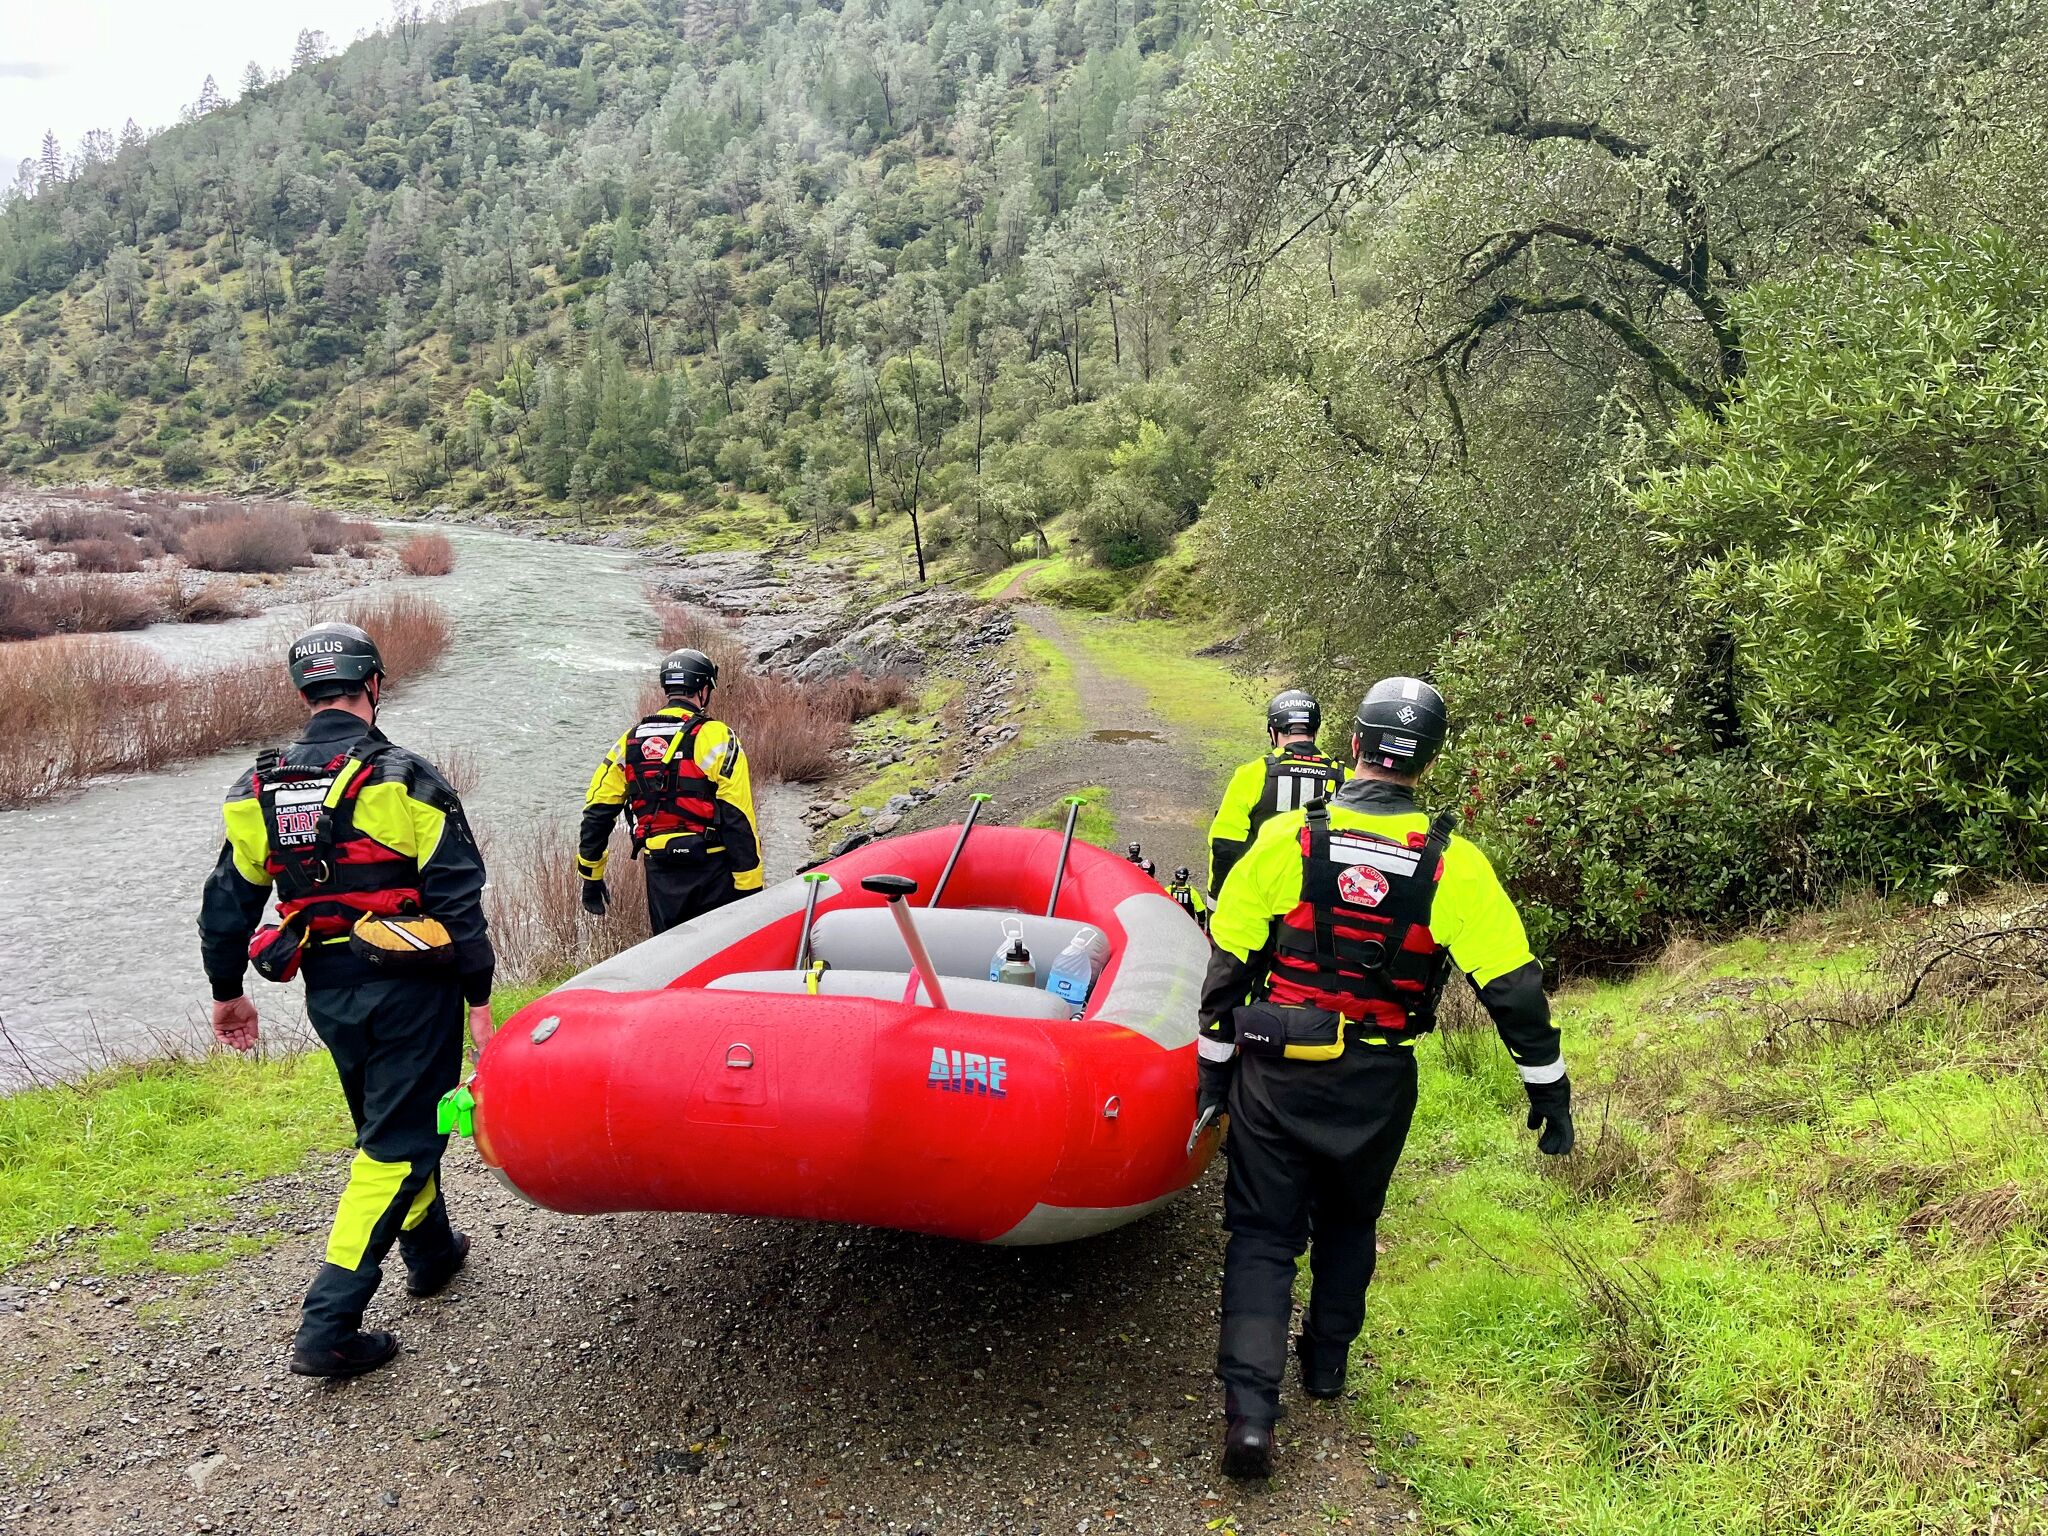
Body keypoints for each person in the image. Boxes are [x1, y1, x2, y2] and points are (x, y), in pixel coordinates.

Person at [1194, 676, 1571, 1479]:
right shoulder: (1453, 863)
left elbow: (1227, 969)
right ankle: (1326, 1366)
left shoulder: (1287, 839)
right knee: (1350, 1220)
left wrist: (1213, 1075)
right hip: (1376, 1079)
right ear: (1427, 762)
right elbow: (1513, 989)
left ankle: (1251, 1418)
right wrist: (1549, 1089)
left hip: (1277, 1073)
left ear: (1356, 745)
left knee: (1263, 1235)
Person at [198, 622, 496, 1380]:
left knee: (390, 1121)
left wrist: (228, 993)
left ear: (305, 692)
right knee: (395, 1144)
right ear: (373, 685)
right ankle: (328, 1324)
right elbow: (458, 900)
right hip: (414, 988)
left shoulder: (256, 788)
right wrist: (480, 1000)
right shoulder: (406, 776)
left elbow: (228, 902)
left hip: (330, 992)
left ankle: (431, 1252)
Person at [578, 647, 762, 933]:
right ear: (703, 689)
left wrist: (591, 877)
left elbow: (597, 813)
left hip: (661, 873)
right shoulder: (718, 736)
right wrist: (750, 887)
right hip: (713, 870)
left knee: (673, 952)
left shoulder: (629, 741)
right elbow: (738, 816)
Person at [1206, 689, 1348, 897]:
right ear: (1315, 731)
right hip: (1325, 900)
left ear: (1273, 732)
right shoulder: (1348, 779)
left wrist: (1216, 902)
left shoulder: (1252, 774)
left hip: (1263, 898)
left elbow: (1226, 846)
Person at [1166, 866, 1210, 933]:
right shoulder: (1192, 892)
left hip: (1172, 923)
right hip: (1189, 925)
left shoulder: (1168, 890)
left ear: (1176, 876)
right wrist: (1201, 925)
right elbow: (1201, 910)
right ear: (1186, 877)